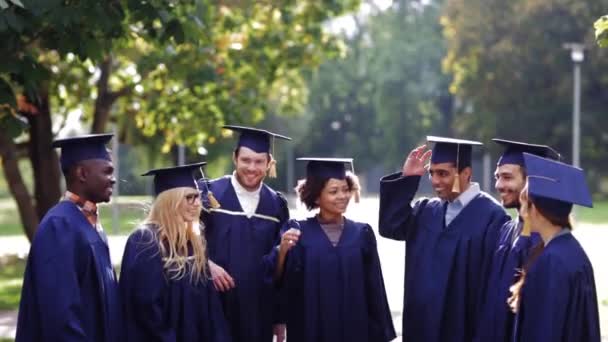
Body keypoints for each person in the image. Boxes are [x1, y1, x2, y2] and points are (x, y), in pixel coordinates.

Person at [378, 136, 509, 342]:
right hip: (421, 328)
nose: (435, 181)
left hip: (462, 329)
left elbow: (493, 290)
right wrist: (408, 179)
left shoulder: (492, 218)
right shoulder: (425, 211)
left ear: (466, 173)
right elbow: (390, 227)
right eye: (431, 173)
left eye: (443, 173)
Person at [274, 157, 395, 342]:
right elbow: (282, 283)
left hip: (355, 330)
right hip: (311, 330)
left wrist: (379, 333)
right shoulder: (298, 232)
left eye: (346, 190)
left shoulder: (362, 233)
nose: (342, 196)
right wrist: (282, 252)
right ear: (316, 196)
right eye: (333, 191)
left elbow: (375, 290)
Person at [16, 133, 121, 342]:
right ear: (82, 173)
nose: (114, 178)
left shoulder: (88, 223)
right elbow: (60, 317)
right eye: (107, 171)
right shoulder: (60, 226)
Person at [198, 125, 291, 342]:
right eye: (246, 160)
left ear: (269, 163)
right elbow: (184, 237)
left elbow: (281, 264)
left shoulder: (276, 205)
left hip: (258, 311)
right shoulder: (209, 194)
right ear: (235, 158)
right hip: (214, 306)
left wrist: (279, 317)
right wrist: (207, 265)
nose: (252, 167)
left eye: (259, 161)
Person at [120, 162, 230, 341]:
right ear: (170, 201)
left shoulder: (193, 241)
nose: (197, 204)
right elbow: (147, 311)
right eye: (189, 198)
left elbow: (210, 308)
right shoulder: (146, 241)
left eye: (197, 197)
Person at [474, 139, 560, 342]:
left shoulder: (547, 243)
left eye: (506, 178)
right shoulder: (506, 230)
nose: (498, 185)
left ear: (531, 182)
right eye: (497, 177)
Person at [509, 153, 600, 342]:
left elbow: (545, 331)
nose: (522, 211)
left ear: (537, 209)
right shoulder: (568, 250)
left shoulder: (553, 261)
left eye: (525, 203)